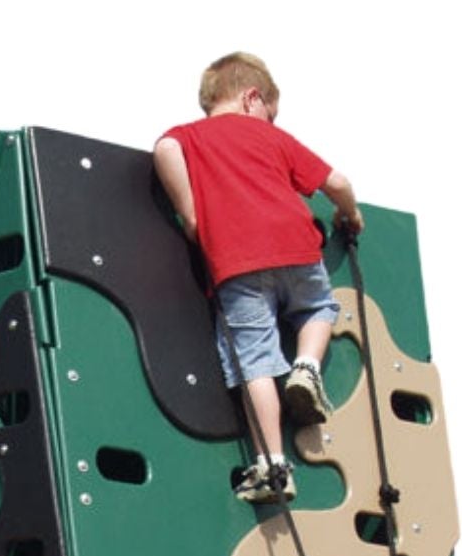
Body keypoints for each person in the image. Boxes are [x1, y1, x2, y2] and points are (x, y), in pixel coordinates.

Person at [153, 52, 364, 504]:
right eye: (271, 112)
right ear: (252, 98)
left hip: (237, 264)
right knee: (320, 308)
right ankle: (307, 365)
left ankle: (273, 466)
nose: (270, 121)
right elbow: (340, 182)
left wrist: (192, 218)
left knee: (257, 362)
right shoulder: (274, 139)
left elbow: (165, 151)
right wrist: (351, 215)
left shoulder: (184, 138)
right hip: (299, 251)